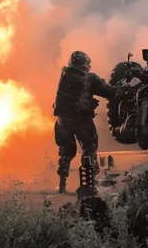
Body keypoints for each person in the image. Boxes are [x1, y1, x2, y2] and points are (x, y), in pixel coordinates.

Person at [53, 51, 127, 196]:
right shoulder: (90, 78)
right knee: (89, 149)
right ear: (86, 64)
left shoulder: (65, 74)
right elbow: (109, 92)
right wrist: (125, 88)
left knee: (66, 151)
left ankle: (61, 184)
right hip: (82, 120)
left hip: (62, 120)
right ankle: (89, 185)